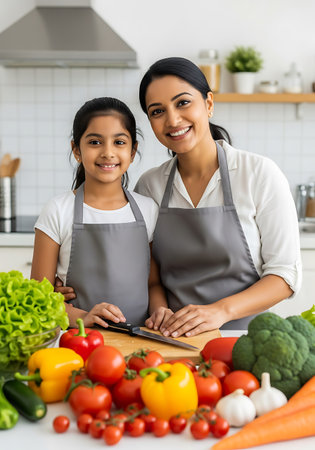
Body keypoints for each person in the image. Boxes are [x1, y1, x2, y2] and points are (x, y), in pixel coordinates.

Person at [134, 56, 301, 336]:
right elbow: (150, 276)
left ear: (208, 104)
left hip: (245, 340)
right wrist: (159, 310)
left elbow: (285, 276)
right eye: (157, 111)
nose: (173, 119)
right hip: (173, 340)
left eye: (183, 102)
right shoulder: (149, 185)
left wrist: (220, 311)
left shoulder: (258, 173)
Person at [31, 97, 168, 328]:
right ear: (76, 150)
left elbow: (153, 283)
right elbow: (38, 297)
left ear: (133, 151)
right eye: (95, 142)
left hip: (141, 342)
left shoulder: (148, 209)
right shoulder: (57, 210)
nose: (107, 152)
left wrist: (160, 311)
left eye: (119, 142)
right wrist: (81, 318)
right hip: (78, 341)